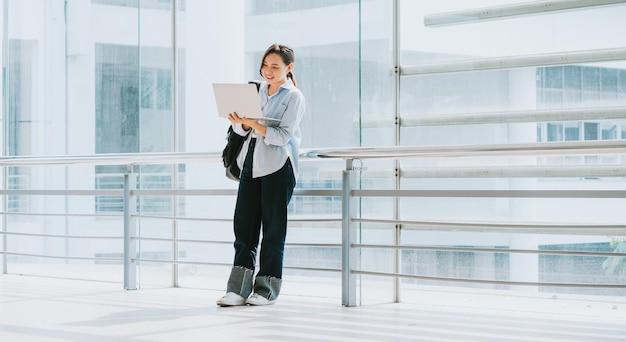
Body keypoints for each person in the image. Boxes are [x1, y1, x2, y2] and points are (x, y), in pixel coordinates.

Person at [217, 44, 306, 306]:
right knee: (243, 228)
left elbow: (281, 137)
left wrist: (254, 121)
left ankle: (266, 289)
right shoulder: (256, 91)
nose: (268, 71)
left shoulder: (293, 97)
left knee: (273, 231)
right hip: (250, 164)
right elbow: (242, 131)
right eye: (265, 65)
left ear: (289, 69)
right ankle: (238, 290)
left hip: (278, 167)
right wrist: (243, 121)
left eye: (275, 66)